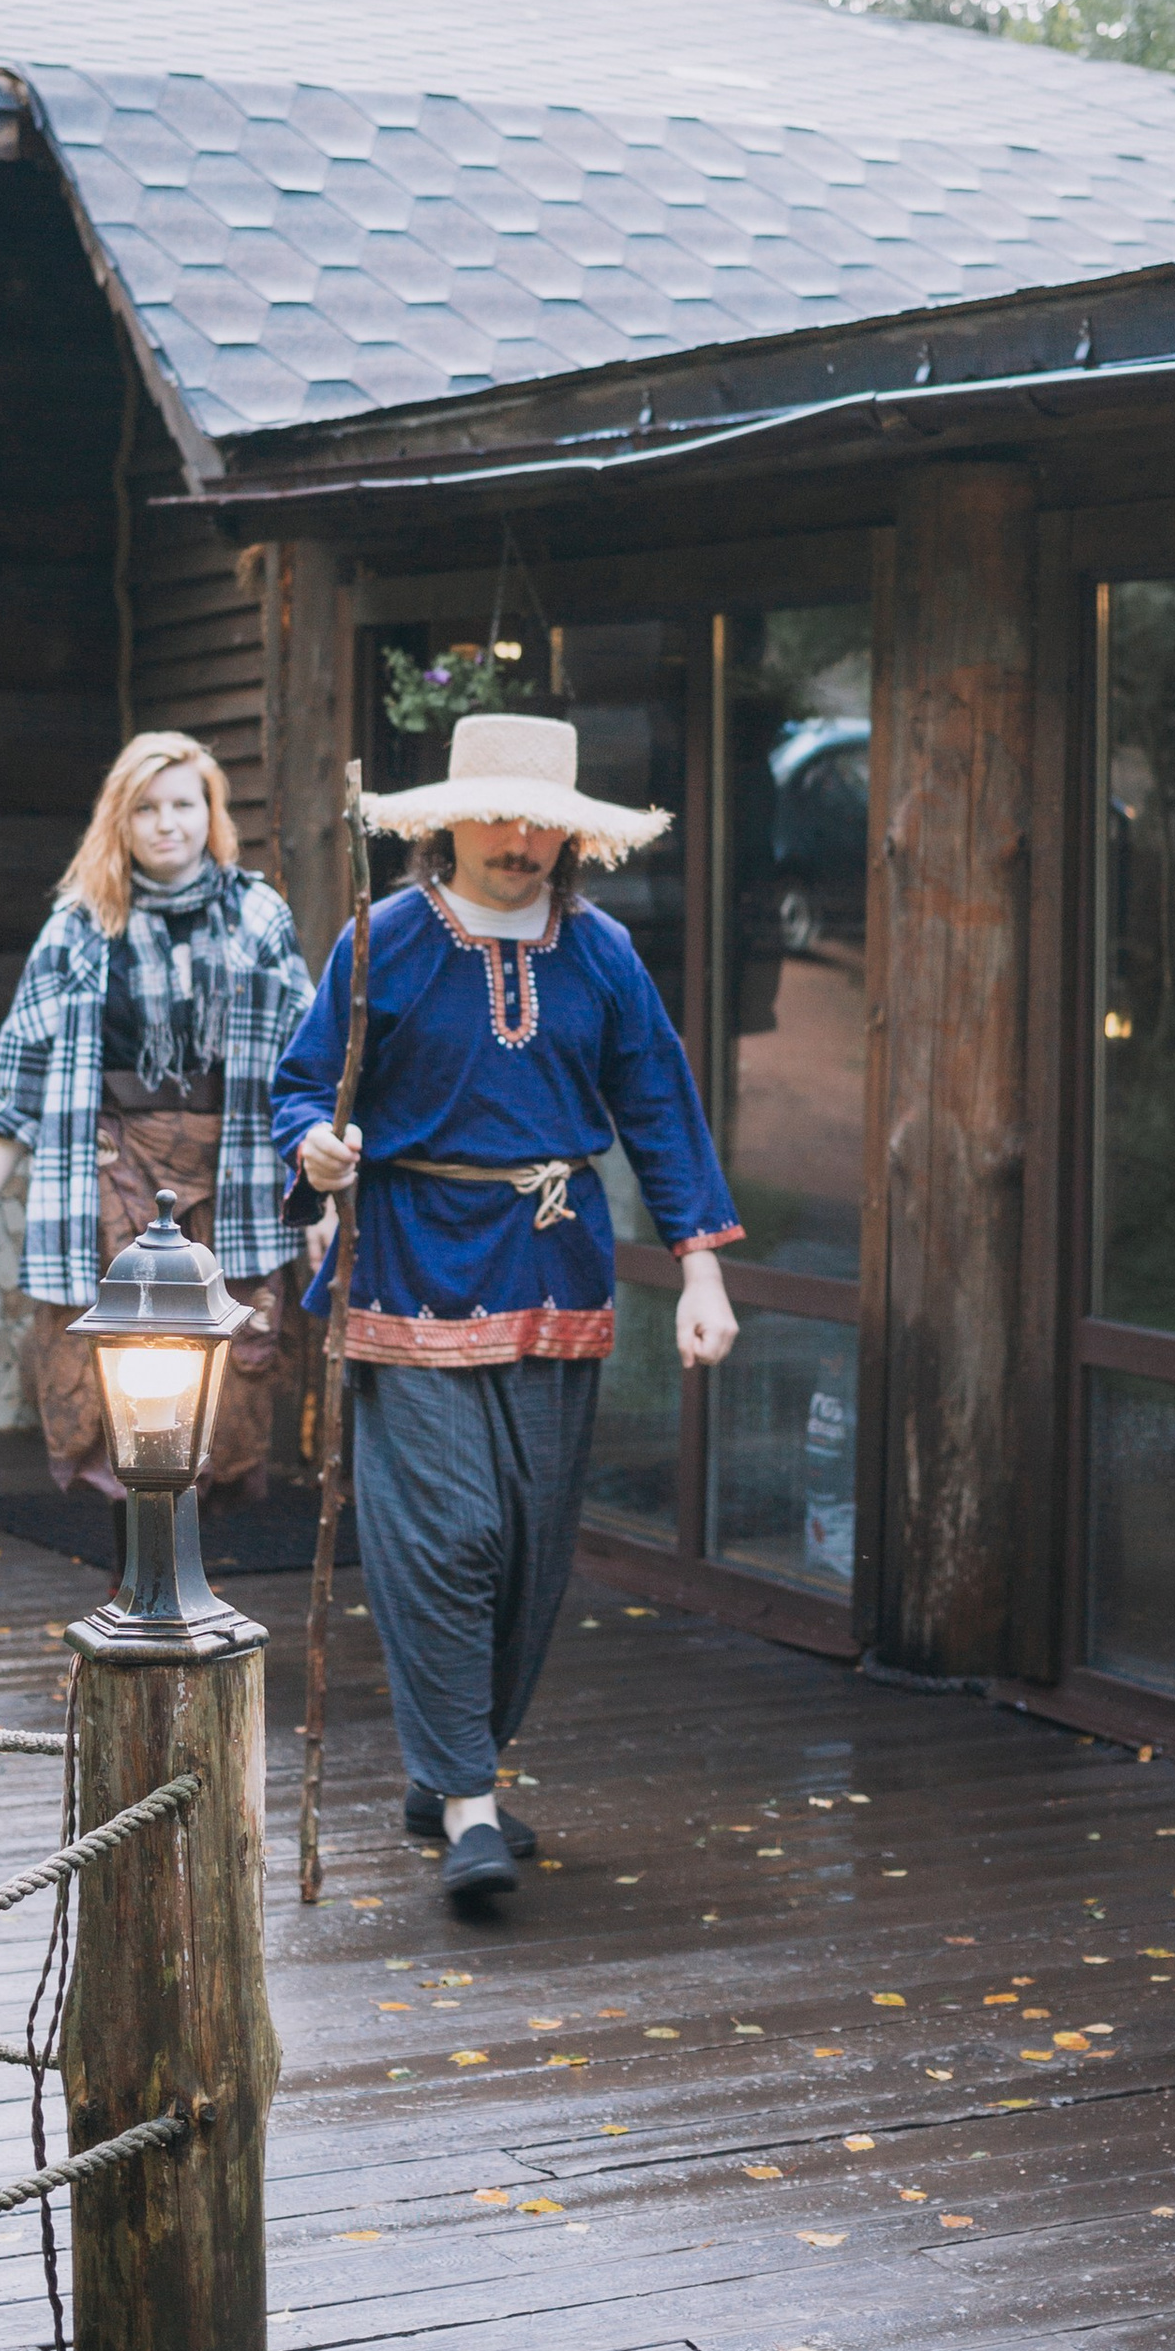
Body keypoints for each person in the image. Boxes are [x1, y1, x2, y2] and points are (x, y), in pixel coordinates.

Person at [272, 709, 741, 1908]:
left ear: (571, 837)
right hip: (411, 1261)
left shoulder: (603, 957)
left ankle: (449, 1770)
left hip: (555, 1270)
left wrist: (698, 1267)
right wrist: (318, 1151)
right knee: (452, 1536)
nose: (519, 838)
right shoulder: (383, 942)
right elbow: (301, 1090)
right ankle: (471, 1808)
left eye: (543, 820)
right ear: (447, 822)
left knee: (531, 1550)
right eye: (498, 813)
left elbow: (661, 1110)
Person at [0, 731, 315, 1500]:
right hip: (111, 1177)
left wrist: (317, 1190)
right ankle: (133, 1557)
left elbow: (303, 1062)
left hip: (233, 1176)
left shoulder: (256, 916)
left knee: (229, 1360)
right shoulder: (81, 924)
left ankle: (197, 1564)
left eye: (184, 805)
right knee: (115, 1360)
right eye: (146, 808)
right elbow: (22, 1065)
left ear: (210, 813)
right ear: (118, 820)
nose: (166, 823)